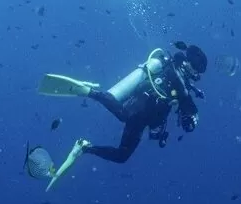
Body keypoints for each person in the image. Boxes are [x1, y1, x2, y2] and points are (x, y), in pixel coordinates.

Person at [37, 44, 207, 190]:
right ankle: (88, 92)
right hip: (139, 107)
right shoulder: (169, 69)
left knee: (122, 156)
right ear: (188, 63)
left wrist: (190, 118)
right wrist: (189, 106)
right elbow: (181, 93)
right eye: (196, 70)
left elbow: (186, 113)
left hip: (143, 121)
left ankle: (83, 148)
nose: (196, 76)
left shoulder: (183, 87)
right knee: (124, 115)